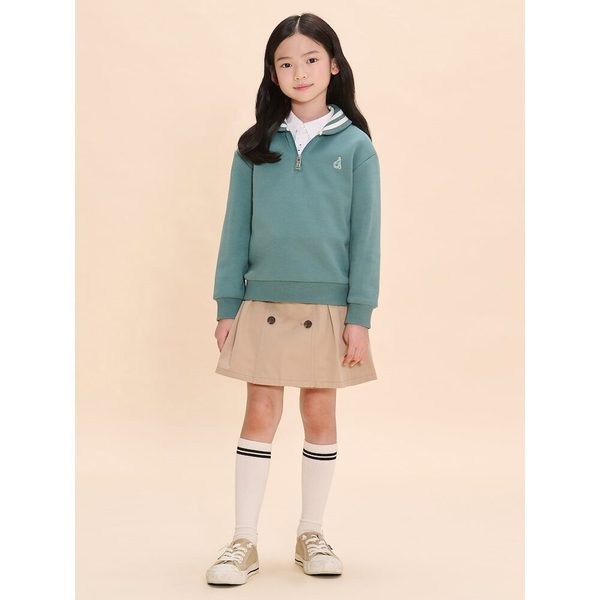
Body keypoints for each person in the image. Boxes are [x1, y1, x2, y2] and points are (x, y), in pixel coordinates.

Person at [206, 12, 381, 586]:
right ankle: (243, 539)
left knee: (319, 413)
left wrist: (360, 316)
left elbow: (366, 237)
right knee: (259, 411)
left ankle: (312, 533)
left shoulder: (356, 147)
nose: (299, 72)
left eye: (310, 60)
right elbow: (235, 230)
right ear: (272, 73)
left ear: (334, 66)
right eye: (285, 63)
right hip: (262, 304)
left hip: (329, 308)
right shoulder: (255, 146)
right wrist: (227, 305)